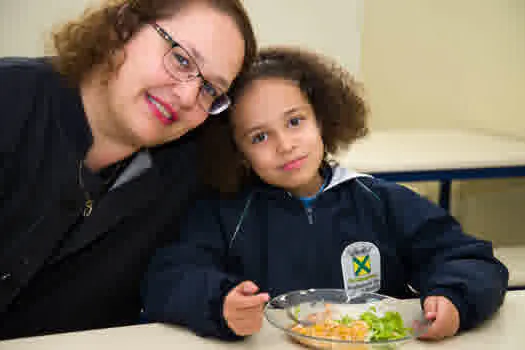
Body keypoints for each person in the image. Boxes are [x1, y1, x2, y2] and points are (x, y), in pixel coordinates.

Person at [141, 47, 508, 341]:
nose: (285, 145)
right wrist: (219, 303)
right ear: (236, 151)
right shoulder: (222, 214)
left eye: (295, 121)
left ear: (322, 118)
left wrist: (454, 299)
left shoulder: (380, 201)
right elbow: (167, 278)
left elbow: (471, 260)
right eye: (259, 136)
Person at [0, 0, 256, 340]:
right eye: (181, 59)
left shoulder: (189, 172)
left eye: (210, 89)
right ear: (124, 27)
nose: (186, 95)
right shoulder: (11, 98)